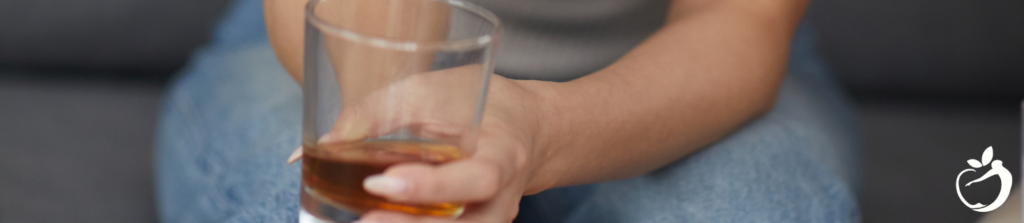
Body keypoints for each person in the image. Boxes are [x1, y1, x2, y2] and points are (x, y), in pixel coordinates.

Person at [155, 0, 861, 222]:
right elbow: (370, 59)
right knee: (341, 208)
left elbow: (737, 23)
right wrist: (411, 131)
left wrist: (540, 128)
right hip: (334, 32)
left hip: (682, 55)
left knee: (755, 212)